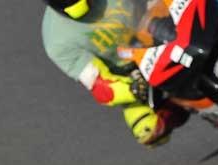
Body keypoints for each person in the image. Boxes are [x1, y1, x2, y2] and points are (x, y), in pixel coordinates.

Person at [41, 0, 190, 147]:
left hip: (160, 23)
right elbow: (101, 86)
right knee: (148, 130)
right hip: (135, 73)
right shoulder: (56, 41)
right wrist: (133, 89)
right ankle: (188, 101)